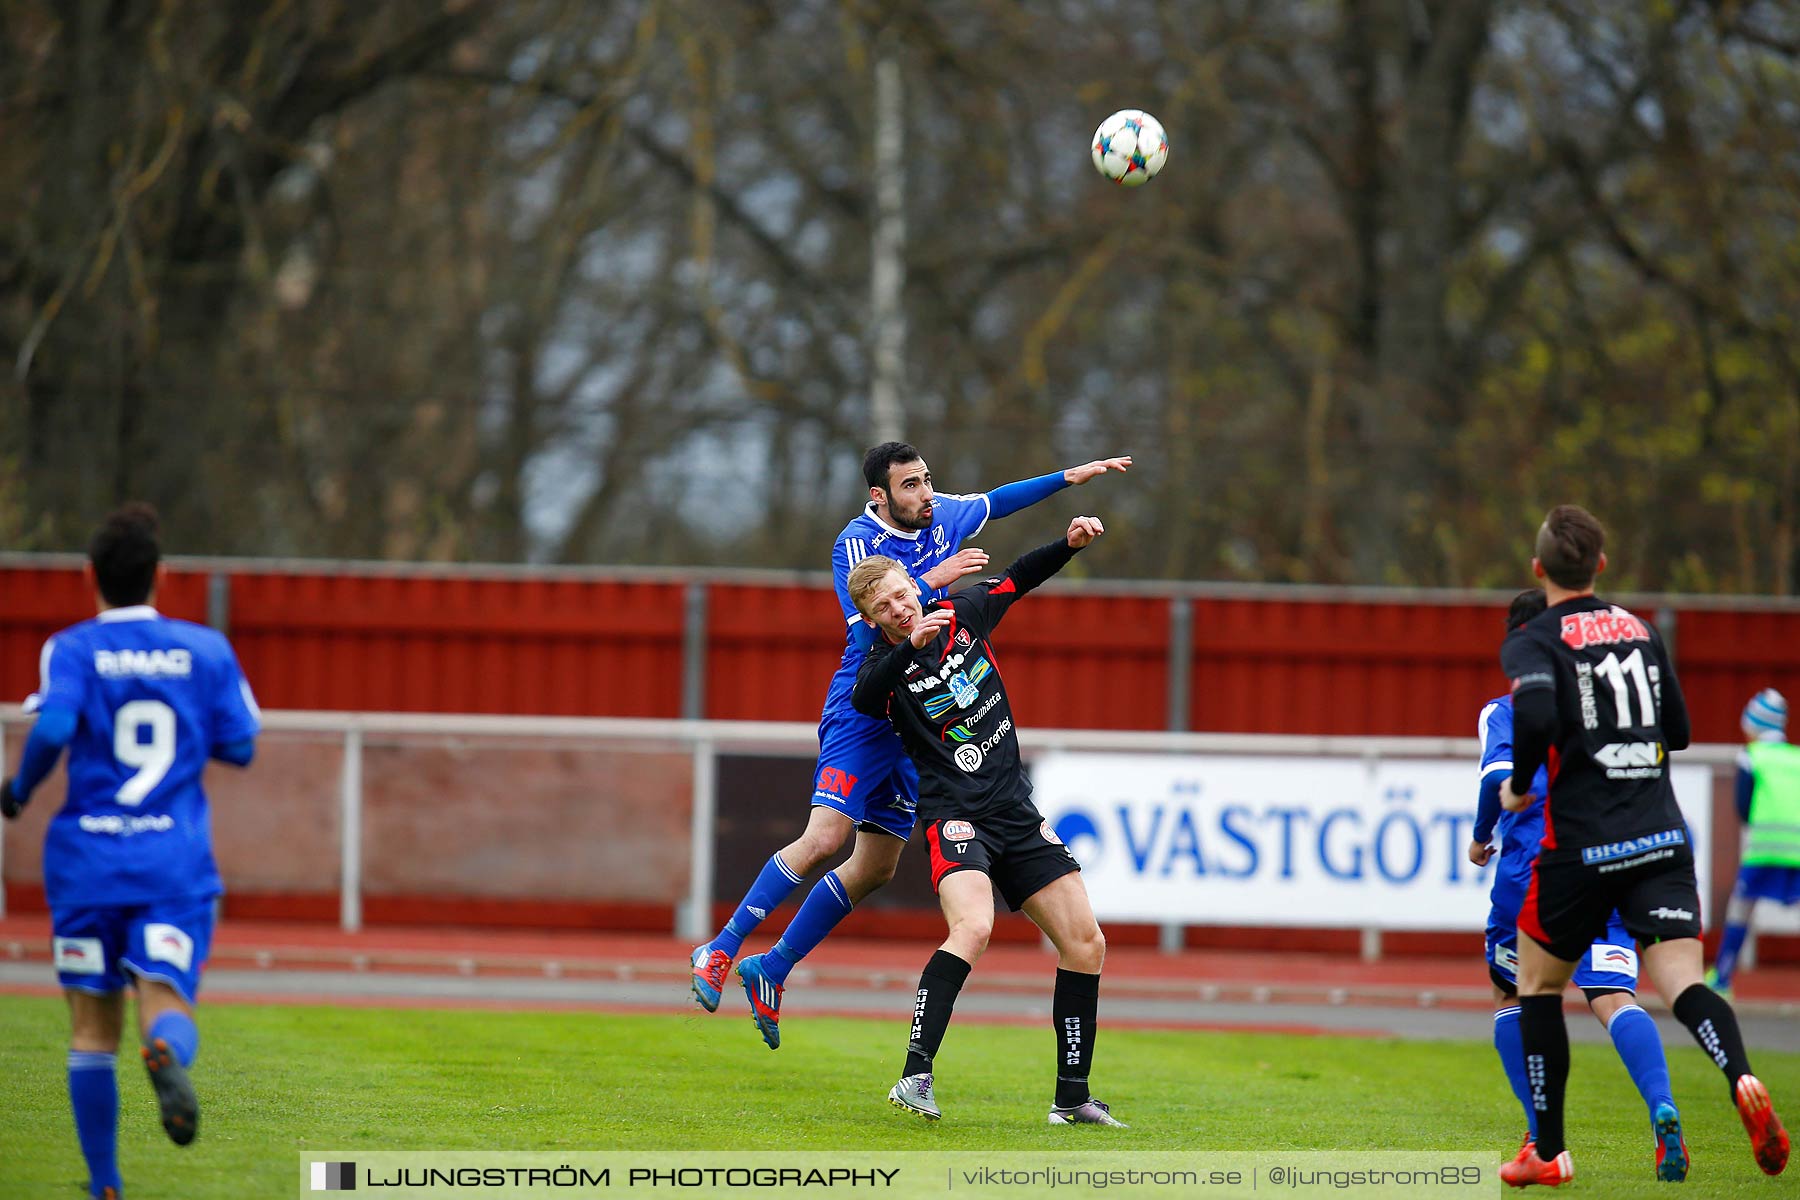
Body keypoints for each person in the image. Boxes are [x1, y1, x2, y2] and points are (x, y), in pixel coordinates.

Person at [690, 442, 1131, 1050]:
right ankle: (722, 947)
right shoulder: (857, 542)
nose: (927, 495)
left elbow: (997, 502)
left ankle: (774, 967)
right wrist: (934, 580)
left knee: (875, 867)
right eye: (912, 486)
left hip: (915, 715)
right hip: (865, 703)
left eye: (928, 482)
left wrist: (1068, 477)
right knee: (826, 837)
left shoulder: (941, 510)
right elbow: (866, 621)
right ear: (881, 496)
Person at [1496, 505, 1787, 1187]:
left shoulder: (1535, 638)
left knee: (1537, 986)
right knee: (1683, 982)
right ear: (1600, 565)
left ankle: (1548, 1149)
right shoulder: (1641, 630)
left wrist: (1517, 785)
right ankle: (1740, 1074)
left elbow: (1535, 714)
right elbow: (1678, 729)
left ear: (1539, 570)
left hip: (1583, 843)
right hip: (1661, 834)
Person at [0, 503, 261, 1200]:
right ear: (161, 576)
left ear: (91, 576)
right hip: (172, 864)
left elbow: (54, 724)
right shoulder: (206, 651)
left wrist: (18, 789)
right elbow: (240, 746)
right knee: (165, 993)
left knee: (90, 1029)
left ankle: (106, 1185)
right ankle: (167, 1052)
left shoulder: (72, 648)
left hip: (86, 865)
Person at [849, 514, 1123, 1127]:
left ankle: (1071, 1098)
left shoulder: (964, 612)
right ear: (872, 620)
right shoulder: (879, 672)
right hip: (956, 818)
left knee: (1086, 943)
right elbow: (866, 698)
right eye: (883, 607)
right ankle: (915, 1074)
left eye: (901, 594)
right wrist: (909, 649)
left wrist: (1069, 544)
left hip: (1015, 812)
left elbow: (1019, 577)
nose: (898, 608)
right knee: (973, 928)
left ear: (915, 588)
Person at [1472, 588, 1684, 1181]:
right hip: (1609, 863)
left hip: (1535, 874)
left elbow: (1497, 779)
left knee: (1514, 996)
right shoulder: (1601, 709)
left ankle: (1545, 1144)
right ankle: (1662, 1104)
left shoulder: (1506, 710)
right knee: (1615, 999)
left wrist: (1479, 835)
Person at [1708, 689, 1800, 997]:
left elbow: (1742, 806)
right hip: (1798, 849)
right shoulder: (1796, 757)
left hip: (1766, 848)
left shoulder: (1751, 756)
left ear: (1754, 723)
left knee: (1741, 909)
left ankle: (1722, 978)